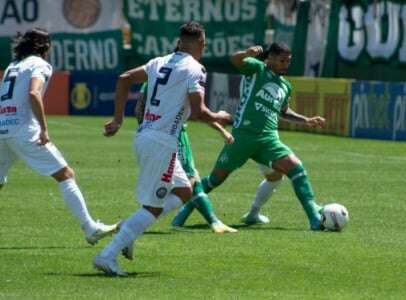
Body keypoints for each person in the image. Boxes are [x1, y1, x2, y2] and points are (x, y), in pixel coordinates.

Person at [94, 21, 232, 276]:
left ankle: (129, 227)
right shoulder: (195, 69)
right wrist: (221, 116)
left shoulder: (159, 61)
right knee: (153, 207)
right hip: (161, 143)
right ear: (202, 44)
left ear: (180, 42)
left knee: (184, 190)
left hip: (147, 136)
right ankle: (107, 255)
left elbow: (124, 78)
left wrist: (117, 119)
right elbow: (199, 112)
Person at [0, 28, 118, 245]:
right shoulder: (40, 64)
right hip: (23, 130)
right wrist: (44, 129)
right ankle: (90, 228)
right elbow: (34, 93)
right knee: (65, 173)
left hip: (2, 128)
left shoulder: (12, 66)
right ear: (44, 46)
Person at [197, 42, 326, 230]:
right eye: (282, 60)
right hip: (243, 136)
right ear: (270, 58)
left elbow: (283, 111)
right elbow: (235, 59)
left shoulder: (285, 85)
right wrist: (247, 53)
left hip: (268, 139)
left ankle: (314, 218)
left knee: (296, 168)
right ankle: (183, 212)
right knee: (215, 179)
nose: (286, 65)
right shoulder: (257, 69)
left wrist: (306, 120)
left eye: (288, 61)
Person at [135, 82, 237, 234]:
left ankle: (193, 220)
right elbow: (200, 113)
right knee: (190, 179)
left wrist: (149, 128)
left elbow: (138, 109)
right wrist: (222, 129)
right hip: (175, 135)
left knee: (187, 180)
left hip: (148, 135)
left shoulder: (151, 78)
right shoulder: (183, 79)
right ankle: (137, 222)